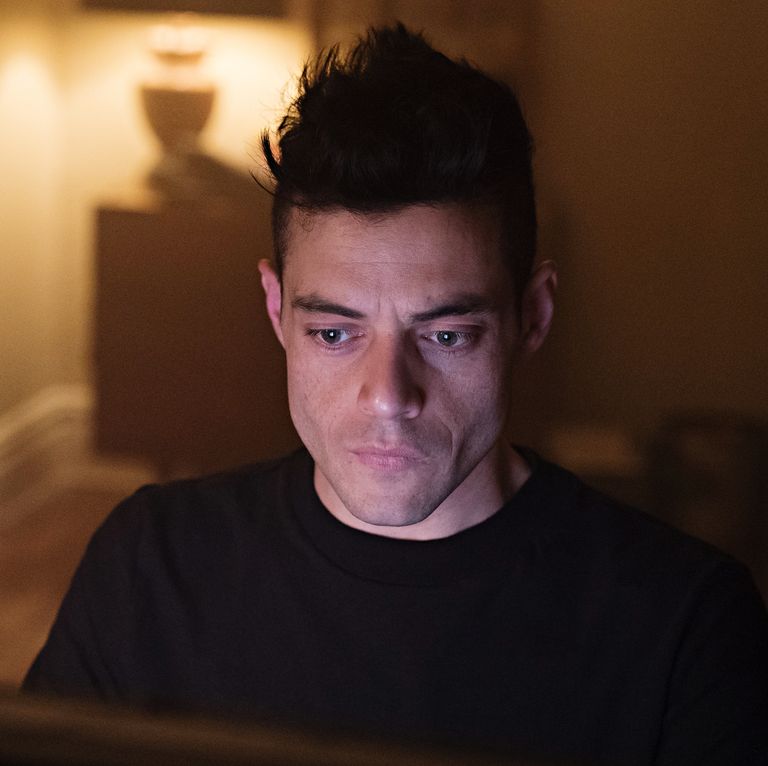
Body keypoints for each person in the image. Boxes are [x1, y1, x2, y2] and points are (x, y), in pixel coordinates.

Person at [23, 24, 768, 765]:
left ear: (533, 316)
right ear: (277, 311)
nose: (387, 397)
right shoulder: (148, 565)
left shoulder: (686, 625)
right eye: (334, 333)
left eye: (446, 336)